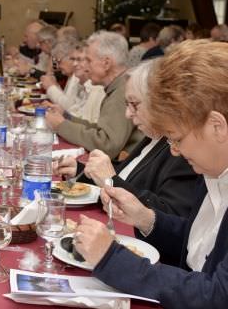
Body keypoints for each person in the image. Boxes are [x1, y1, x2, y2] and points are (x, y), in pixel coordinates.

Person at [69, 40, 228, 308]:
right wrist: (146, 218)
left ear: (217, 126)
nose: (174, 151)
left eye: (177, 138)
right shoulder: (213, 168)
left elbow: (216, 295)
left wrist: (111, 259)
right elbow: (200, 246)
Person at [60, 60, 199, 217]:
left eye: (134, 104)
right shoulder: (154, 136)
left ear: (159, 103)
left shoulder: (182, 149)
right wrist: (82, 170)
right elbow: (127, 175)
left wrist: (110, 179)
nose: (127, 114)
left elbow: (168, 214)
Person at [46, 31, 143, 160]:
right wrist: (66, 117)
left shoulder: (123, 91)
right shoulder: (119, 85)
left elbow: (107, 144)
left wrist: (61, 126)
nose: (84, 67)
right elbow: (101, 130)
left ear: (106, 63)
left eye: (88, 60)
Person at [43, 43, 105, 124]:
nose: (74, 64)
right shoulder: (81, 82)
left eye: (79, 60)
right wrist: (62, 112)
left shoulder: (97, 89)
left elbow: (89, 125)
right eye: (73, 59)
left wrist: (51, 88)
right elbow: (76, 112)